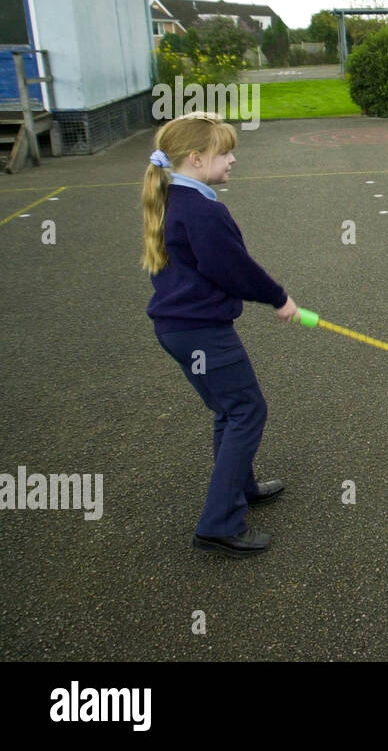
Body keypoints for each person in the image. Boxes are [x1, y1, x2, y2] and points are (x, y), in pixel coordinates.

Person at [141, 112, 297, 558]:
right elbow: (234, 269)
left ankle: (240, 488)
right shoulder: (204, 211)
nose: (231, 161)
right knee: (248, 410)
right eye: (224, 153)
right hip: (201, 334)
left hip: (182, 331)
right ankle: (218, 523)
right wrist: (279, 298)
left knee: (231, 411)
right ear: (195, 158)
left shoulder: (174, 197)